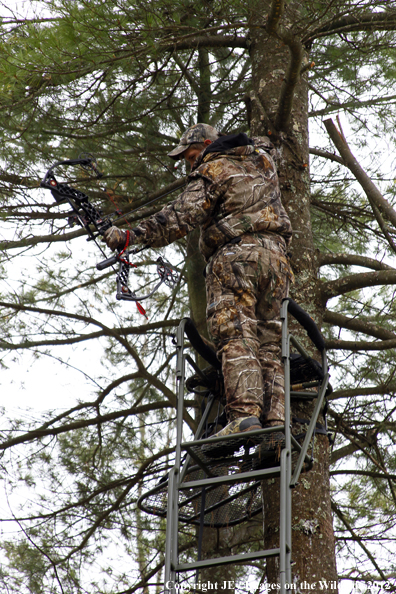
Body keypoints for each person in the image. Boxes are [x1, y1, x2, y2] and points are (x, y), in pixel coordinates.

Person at [104, 123, 293, 456]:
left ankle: (246, 416)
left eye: (192, 155)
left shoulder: (212, 167)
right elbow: (269, 142)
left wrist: (130, 236)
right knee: (269, 344)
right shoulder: (263, 158)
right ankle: (275, 430)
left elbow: (180, 216)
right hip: (277, 262)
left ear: (208, 144)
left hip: (236, 258)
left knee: (235, 334)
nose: (190, 164)